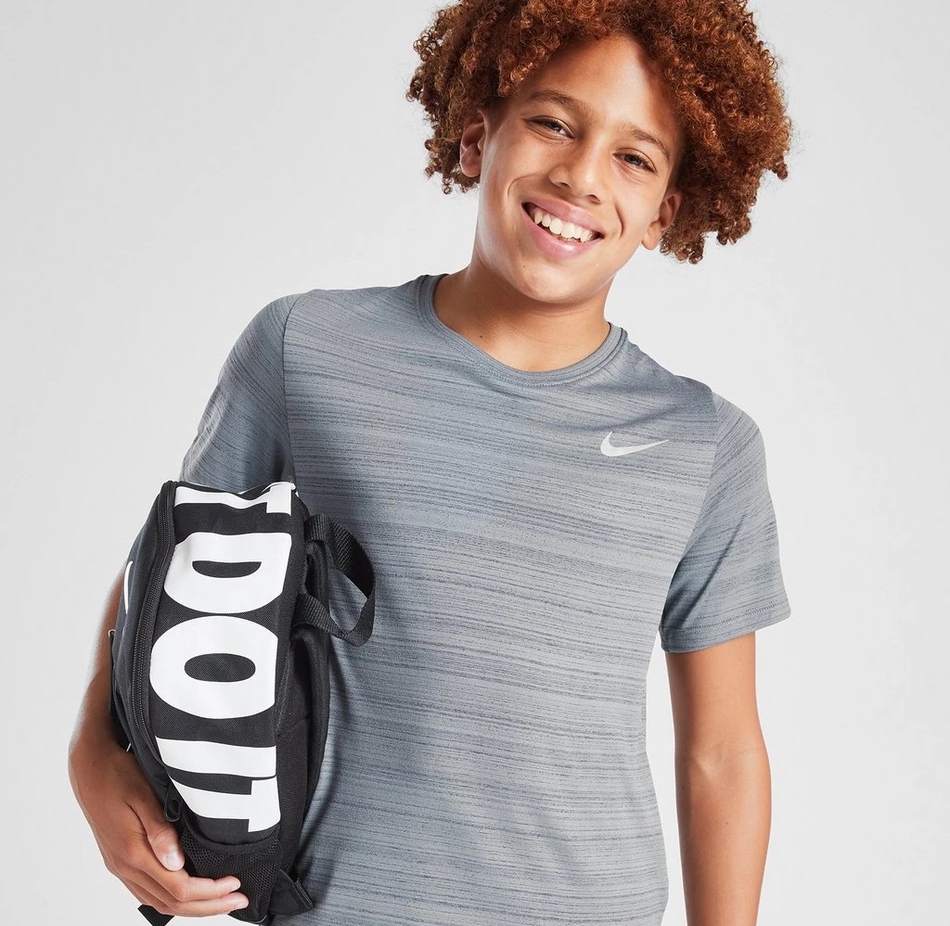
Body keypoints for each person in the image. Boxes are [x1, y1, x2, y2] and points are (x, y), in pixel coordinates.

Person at [68, 1, 794, 923]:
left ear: (666, 214)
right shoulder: (306, 348)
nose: (580, 175)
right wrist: (95, 757)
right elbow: (169, 570)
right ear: (476, 137)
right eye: (553, 123)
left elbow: (721, 753)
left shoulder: (704, 444)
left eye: (635, 158)